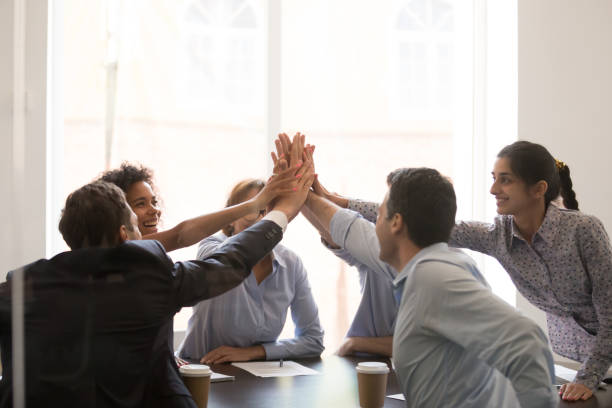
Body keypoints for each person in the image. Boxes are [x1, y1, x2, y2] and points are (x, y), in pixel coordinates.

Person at [0, 158, 313, 407]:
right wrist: (283, 210)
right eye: (137, 219)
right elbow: (228, 262)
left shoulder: (21, 284)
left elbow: (178, 235)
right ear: (125, 234)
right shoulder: (149, 276)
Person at [314, 140, 612, 402]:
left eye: (505, 180)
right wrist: (339, 201)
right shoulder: (498, 236)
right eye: (494, 179)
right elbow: (416, 219)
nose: (493, 189)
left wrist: (589, 376)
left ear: (538, 189)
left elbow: (610, 310)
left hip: (596, 363)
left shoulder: (583, 230)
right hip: (575, 361)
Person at [304, 167, 558, 407]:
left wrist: (302, 194)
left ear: (396, 223)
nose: (374, 226)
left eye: (379, 215)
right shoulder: (427, 269)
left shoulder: (435, 276)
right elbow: (352, 231)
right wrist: (305, 196)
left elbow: (527, 341)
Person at [178, 178, 324, 363]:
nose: (261, 217)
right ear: (230, 217)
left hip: (256, 378)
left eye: (268, 210)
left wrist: (256, 352)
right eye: (253, 207)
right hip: (201, 370)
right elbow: (229, 257)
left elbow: (313, 340)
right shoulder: (211, 247)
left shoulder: (291, 263)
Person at [99, 162, 286, 252]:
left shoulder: (153, 255)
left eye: (154, 202)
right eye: (140, 204)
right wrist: (253, 205)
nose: (155, 210)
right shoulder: (120, 253)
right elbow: (180, 235)